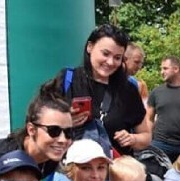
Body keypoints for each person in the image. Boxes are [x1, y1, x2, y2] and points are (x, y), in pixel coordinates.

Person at [51, 24, 151, 157]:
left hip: (115, 170)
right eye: (105, 54)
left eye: (117, 57)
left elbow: (146, 136)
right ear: (90, 47)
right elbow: (42, 124)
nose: (110, 62)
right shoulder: (67, 79)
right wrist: (65, 120)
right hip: (72, 170)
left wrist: (132, 139)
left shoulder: (128, 90)